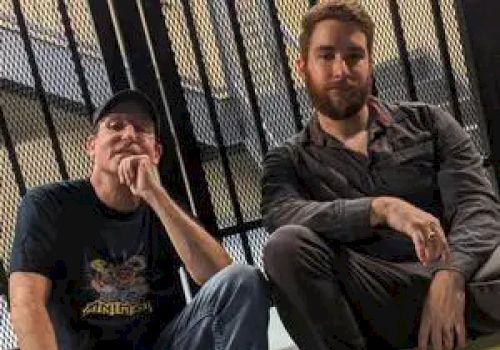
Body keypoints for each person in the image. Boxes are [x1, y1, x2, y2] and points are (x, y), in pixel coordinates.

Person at [261, 1, 500, 349]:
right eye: (326, 56)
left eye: (354, 56)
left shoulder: (429, 122)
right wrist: (381, 208)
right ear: (303, 67)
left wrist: (451, 274)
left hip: (460, 278)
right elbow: (280, 213)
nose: (341, 70)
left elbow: (476, 204)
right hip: (372, 295)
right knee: (285, 247)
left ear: (370, 63)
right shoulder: (288, 159)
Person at [9, 89, 269, 350]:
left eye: (141, 129)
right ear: (91, 146)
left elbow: (219, 276)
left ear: (156, 152)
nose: (129, 135)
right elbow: (26, 302)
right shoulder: (49, 204)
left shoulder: (165, 207)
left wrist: (155, 196)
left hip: (164, 345)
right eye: (115, 126)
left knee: (243, 278)